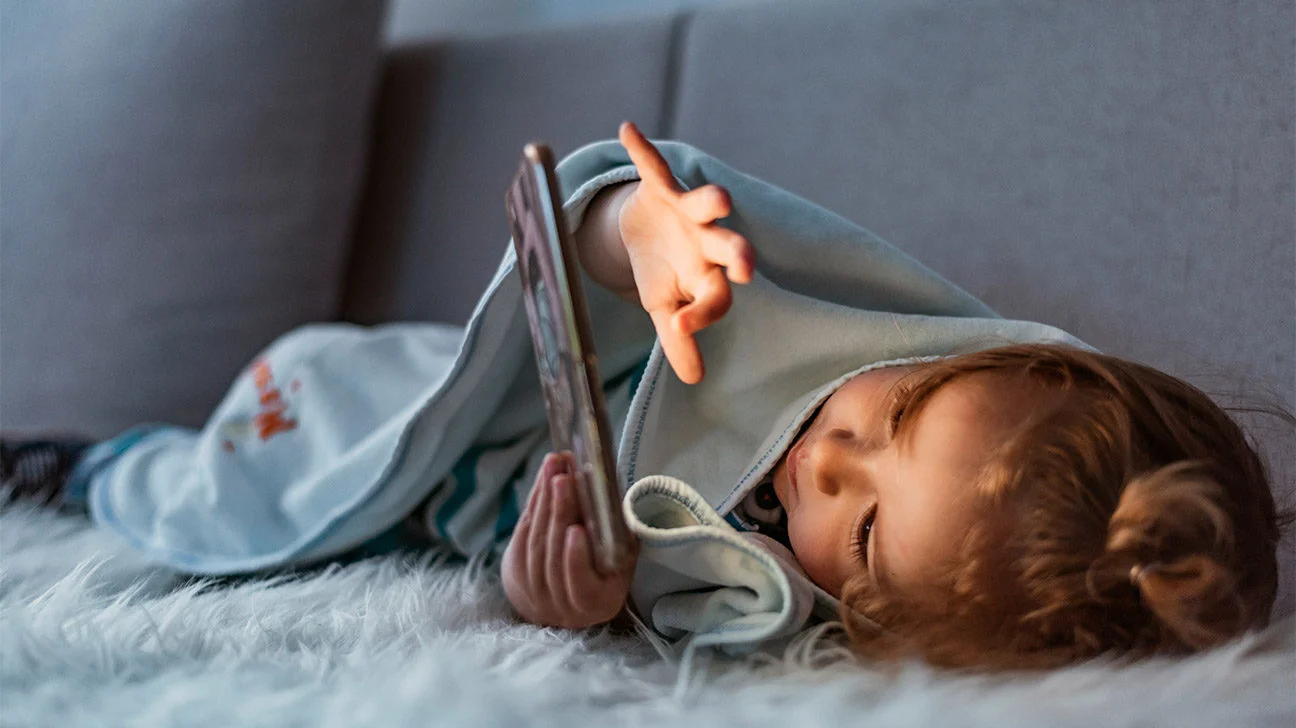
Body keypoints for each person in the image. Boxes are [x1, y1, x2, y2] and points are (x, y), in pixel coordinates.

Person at [3, 123, 1286, 669]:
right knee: (257, 456)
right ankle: (85, 458)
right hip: (443, 412)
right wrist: (642, 235)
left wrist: (552, 598)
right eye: (896, 416)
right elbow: (597, 238)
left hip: (471, 512)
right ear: (972, 348)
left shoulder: (784, 614)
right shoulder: (815, 301)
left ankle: (85, 465)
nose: (830, 461)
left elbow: (643, 620)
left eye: (875, 529)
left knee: (228, 502)